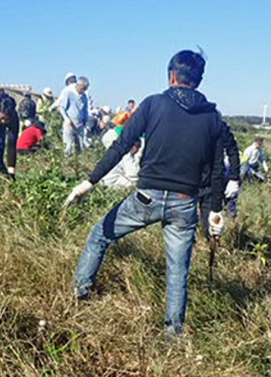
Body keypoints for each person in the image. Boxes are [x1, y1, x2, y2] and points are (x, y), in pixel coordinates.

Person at [65, 49, 227, 338]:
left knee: (100, 235)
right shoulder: (213, 117)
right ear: (199, 81)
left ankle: (81, 293)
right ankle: (173, 335)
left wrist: (89, 182)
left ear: (172, 76)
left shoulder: (153, 104)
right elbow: (217, 170)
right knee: (178, 271)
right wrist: (216, 209)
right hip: (185, 204)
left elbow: (121, 145)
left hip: (145, 199)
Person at [198, 121, 240, 240]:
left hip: (211, 182)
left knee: (211, 226)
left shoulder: (217, 124)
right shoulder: (215, 123)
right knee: (185, 224)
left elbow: (232, 150)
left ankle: (208, 245)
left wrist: (234, 177)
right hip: (194, 180)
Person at [58, 76, 90, 156]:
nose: (84, 90)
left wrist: (85, 122)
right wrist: (66, 119)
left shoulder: (84, 96)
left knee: (80, 145)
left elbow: (85, 110)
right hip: (69, 123)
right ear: (78, 85)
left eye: (85, 89)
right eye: (83, 88)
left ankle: (78, 163)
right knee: (69, 145)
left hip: (80, 124)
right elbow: (61, 107)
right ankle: (68, 162)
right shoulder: (68, 93)